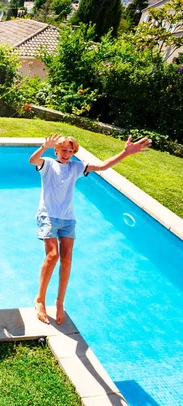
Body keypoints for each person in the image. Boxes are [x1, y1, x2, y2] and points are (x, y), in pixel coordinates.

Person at [29, 134, 152, 325]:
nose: (67, 154)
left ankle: (60, 302)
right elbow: (32, 160)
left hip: (68, 219)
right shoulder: (47, 163)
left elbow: (102, 166)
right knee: (53, 255)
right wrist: (43, 147)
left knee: (67, 258)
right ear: (56, 150)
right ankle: (39, 299)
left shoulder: (76, 167)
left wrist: (125, 153)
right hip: (48, 216)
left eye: (71, 151)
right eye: (63, 150)